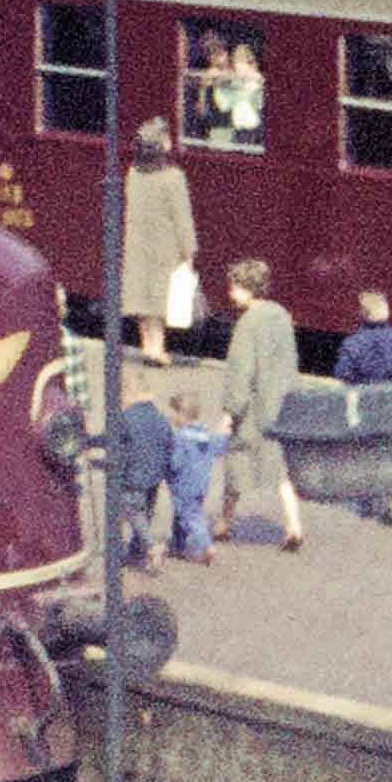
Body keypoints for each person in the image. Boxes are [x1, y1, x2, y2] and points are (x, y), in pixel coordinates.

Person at [220, 257, 305, 552]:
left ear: (246, 288)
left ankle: (223, 522)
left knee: (235, 460)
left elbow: (240, 372)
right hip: (282, 404)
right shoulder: (281, 315)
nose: (230, 293)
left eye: (234, 287)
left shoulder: (247, 324)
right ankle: (293, 525)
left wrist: (230, 412)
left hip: (255, 409)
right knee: (281, 468)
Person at [333, 290, 392, 526]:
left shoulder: (353, 342)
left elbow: (343, 373)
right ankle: (385, 499)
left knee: (365, 450)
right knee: (386, 450)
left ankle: (368, 501)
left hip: (364, 401)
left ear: (362, 314)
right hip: (391, 402)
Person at [122, 118, 199, 367]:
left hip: (137, 245)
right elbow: (182, 218)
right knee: (158, 301)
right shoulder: (173, 178)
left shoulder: (133, 174)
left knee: (142, 300)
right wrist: (189, 252)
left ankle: (147, 347)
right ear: (162, 145)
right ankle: (157, 350)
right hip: (165, 247)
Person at [106, 372, 174, 574]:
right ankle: (136, 552)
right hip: (155, 476)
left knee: (133, 511)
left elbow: (113, 443)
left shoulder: (125, 418)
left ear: (126, 394)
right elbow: (169, 442)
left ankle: (152, 546)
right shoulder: (160, 416)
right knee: (146, 513)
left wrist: (90, 441)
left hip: (133, 477)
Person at [163, 392, 229, 565]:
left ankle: (206, 545)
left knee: (190, 516)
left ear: (180, 414)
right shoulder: (206, 434)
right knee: (181, 515)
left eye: (172, 414)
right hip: (201, 483)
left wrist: (166, 468)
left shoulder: (179, 437)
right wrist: (225, 432)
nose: (170, 418)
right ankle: (178, 545)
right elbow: (219, 446)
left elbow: (175, 462)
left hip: (183, 484)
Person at [188, 31, 233, 142]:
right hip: (218, 128)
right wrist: (204, 88)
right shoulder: (208, 76)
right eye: (211, 55)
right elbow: (201, 111)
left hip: (237, 125)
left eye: (221, 54)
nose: (217, 59)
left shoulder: (234, 70)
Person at [223, 41, 266, 147]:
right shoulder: (235, 81)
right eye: (235, 60)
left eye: (240, 60)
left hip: (254, 129)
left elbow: (259, 103)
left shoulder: (257, 79)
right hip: (239, 129)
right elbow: (225, 105)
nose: (236, 64)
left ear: (250, 61)